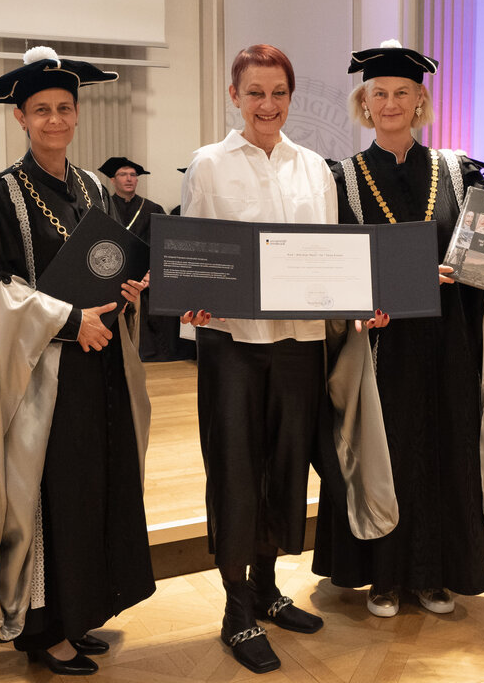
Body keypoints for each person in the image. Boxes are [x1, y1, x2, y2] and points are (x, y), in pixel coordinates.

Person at [0, 47, 155, 676]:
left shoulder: (94, 186)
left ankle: (80, 610)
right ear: (20, 118)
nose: (56, 120)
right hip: (40, 380)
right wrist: (70, 320)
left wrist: (128, 291)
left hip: (98, 370)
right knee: (48, 495)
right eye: (42, 110)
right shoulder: (1, 196)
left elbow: (109, 260)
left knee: (90, 489)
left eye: (65, 108)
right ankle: (44, 630)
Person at [311, 40, 484, 620]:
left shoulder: (456, 170)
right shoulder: (344, 178)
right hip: (383, 343)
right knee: (390, 452)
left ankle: (436, 575)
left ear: (420, 101)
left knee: (445, 448)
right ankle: (383, 578)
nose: (390, 103)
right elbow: (337, 266)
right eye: (378, 93)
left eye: (402, 93)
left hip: (448, 339)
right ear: (364, 102)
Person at [179, 44, 350, 675]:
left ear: (289, 97)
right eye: (255, 92)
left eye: (278, 93)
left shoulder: (315, 169)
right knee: (235, 470)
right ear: (234, 96)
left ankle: (269, 589)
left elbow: (331, 255)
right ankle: (235, 609)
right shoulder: (209, 164)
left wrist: (357, 301)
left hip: (300, 343)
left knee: (285, 470)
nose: (266, 105)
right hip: (233, 345)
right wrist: (191, 296)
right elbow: (193, 251)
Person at [97, 156, 189, 361]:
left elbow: (162, 245)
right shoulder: (103, 207)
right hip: (112, 271)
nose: (129, 179)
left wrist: (151, 273)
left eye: (133, 175)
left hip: (148, 274)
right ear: (113, 180)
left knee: (161, 294)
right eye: (123, 175)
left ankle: (159, 351)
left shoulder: (152, 209)